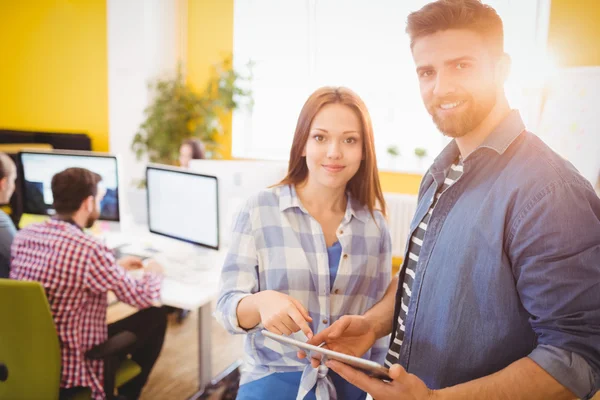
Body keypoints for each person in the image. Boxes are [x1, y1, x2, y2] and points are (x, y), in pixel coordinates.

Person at [302, 1, 600, 399]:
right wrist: (373, 325)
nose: (441, 88)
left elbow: (576, 358)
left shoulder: (549, 191)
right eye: (427, 71)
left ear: (502, 68)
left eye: (461, 65)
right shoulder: (441, 171)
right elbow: (421, 274)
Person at [215, 86, 392, 400]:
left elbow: (375, 329)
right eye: (320, 137)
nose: (334, 152)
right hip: (272, 382)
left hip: (349, 384)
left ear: (364, 150)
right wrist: (261, 302)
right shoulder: (259, 209)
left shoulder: (375, 226)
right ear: (302, 145)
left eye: (349, 140)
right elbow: (227, 307)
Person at [10, 167, 167, 400]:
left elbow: (63, 273)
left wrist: (114, 267)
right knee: (156, 315)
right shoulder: (89, 249)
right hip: (74, 367)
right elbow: (142, 297)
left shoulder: (24, 236)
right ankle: (127, 394)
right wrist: (154, 273)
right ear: (88, 203)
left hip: (29, 359)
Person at [0, 152, 17, 278]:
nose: (14, 187)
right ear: (3, 183)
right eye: (13, 180)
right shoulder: (2, 222)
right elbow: (18, 260)